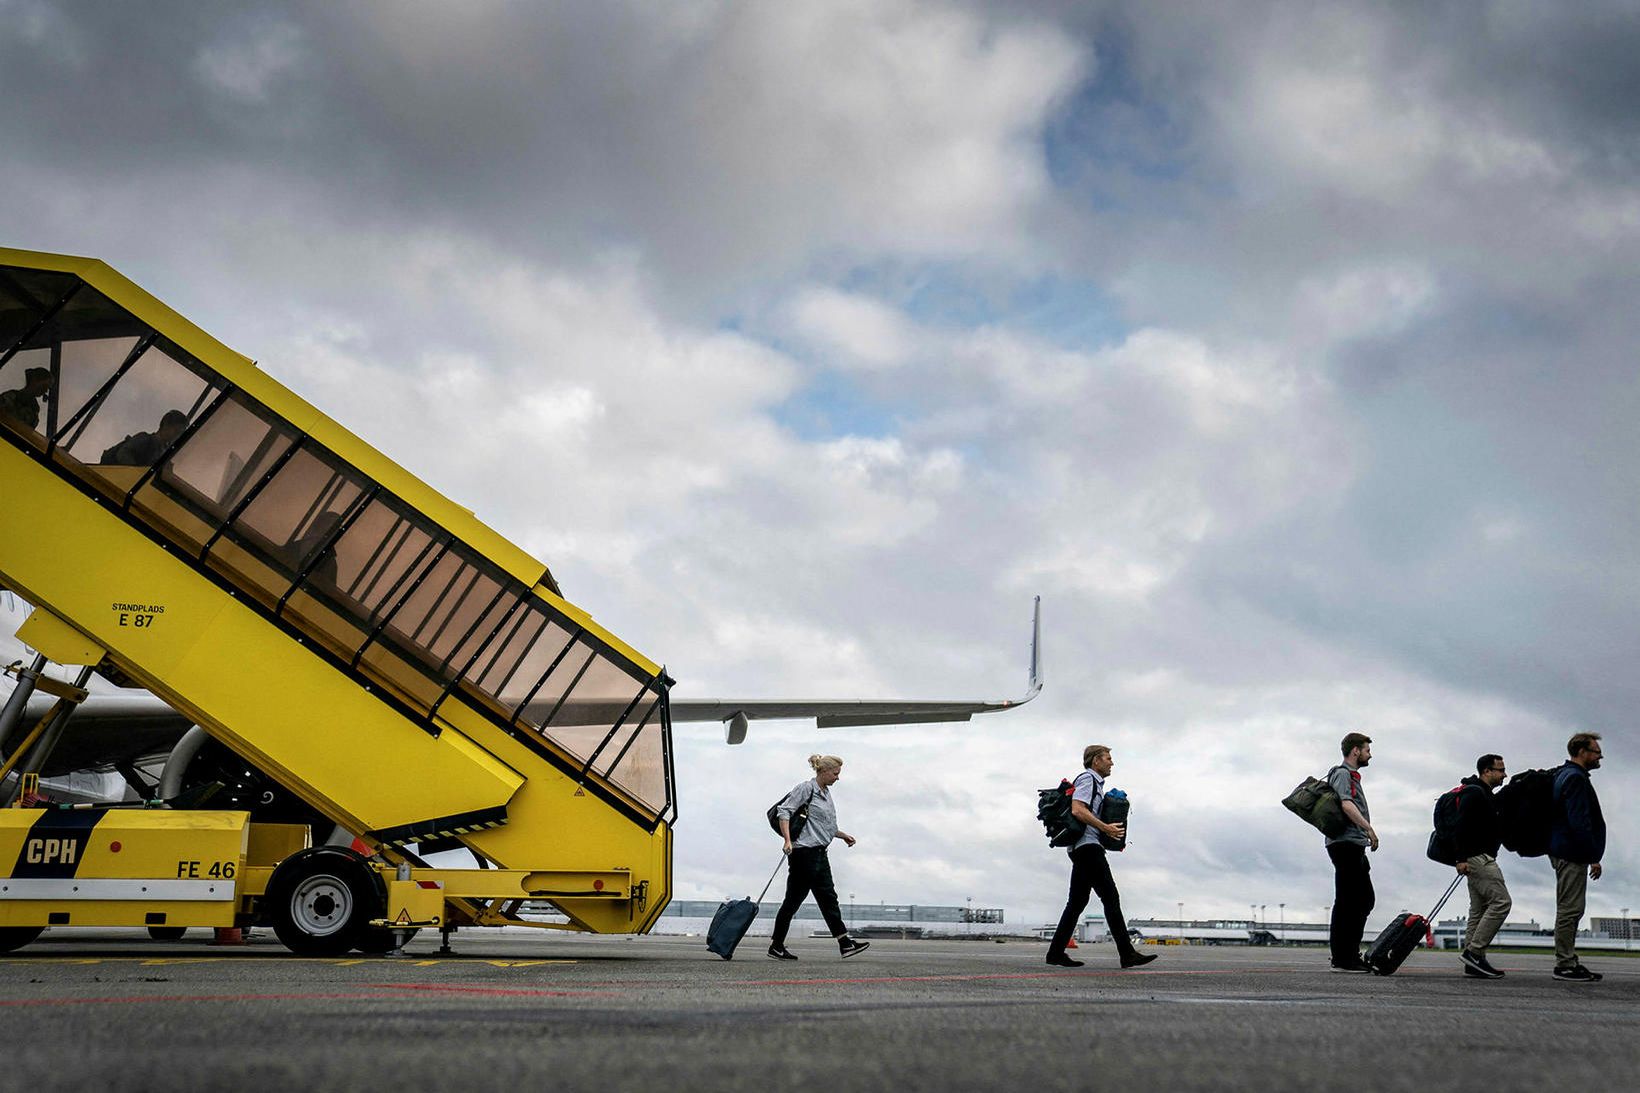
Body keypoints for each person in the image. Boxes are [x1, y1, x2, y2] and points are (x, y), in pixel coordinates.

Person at [1045, 744, 1157, 969]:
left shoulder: (1095, 782)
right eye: (1107, 758)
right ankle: (1127, 953)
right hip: (1087, 847)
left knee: (1076, 903)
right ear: (1095, 760)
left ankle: (1055, 953)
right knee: (1110, 898)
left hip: (1082, 848)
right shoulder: (1088, 779)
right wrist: (1105, 828)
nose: (1111, 762)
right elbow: (1078, 809)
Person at [768, 754, 869, 960]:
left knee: (822, 898)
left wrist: (842, 835)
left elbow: (824, 825)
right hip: (804, 854)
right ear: (823, 771)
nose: (838, 778)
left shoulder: (825, 793)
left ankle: (843, 943)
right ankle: (779, 945)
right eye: (835, 773)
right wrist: (787, 840)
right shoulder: (806, 789)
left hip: (820, 853)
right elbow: (784, 812)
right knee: (804, 900)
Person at [1549, 732, 1606, 982]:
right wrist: (1592, 854)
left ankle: (1568, 960)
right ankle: (1565, 964)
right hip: (1571, 852)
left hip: (1565, 849)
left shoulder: (1565, 774)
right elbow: (1579, 821)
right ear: (1582, 752)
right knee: (1570, 909)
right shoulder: (1575, 778)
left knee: (1571, 908)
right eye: (1596, 751)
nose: (1600, 755)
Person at [1453, 754, 1511, 979]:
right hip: (1478, 859)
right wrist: (1460, 858)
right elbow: (1461, 825)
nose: (1504, 774)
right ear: (1487, 771)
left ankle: (1473, 961)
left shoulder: (1484, 794)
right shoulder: (1475, 793)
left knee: (1478, 909)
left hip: (1475, 857)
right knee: (1501, 902)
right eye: (1500, 770)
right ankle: (1474, 953)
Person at [1326, 732, 1378, 973]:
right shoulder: (1342, 774)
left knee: (1362, 899)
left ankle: (1347, 953)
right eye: (1367, 750)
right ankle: (1344, 957)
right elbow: (1346, 804)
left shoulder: (1350, 776)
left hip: (1352, 844)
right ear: (1355, 750)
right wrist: (1369, 829)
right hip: (1345, 843)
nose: (1369, 754)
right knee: (1349, 900)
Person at [100, 409, 188, 466]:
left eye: (180, 433)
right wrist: (136, 473)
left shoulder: (163, 454)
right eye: (176, 431)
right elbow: (122, 453)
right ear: (166, 424)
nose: (177, 436)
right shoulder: (145, 439)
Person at [0, 366, 52, 431]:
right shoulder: (10, 396)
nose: (45, 390)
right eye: (44, 386)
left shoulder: (34, 409)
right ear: (34, 380)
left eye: (47, 388)